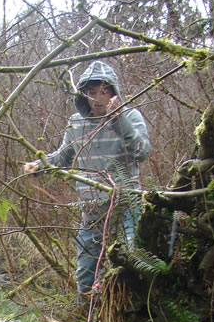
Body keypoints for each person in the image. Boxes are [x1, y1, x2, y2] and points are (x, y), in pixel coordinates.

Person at [23, 60, 151, 302]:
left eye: (104, 91)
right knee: (86, 273)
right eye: (92, 93)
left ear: (114, 92)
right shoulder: (78, 123)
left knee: (130, 266)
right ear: (84, 95)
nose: (98, 98)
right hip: (92, 210)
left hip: (127, 206)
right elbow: (63, 155)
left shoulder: (130, 116)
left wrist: (118, 119)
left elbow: (142, 151)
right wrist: (39, 166)